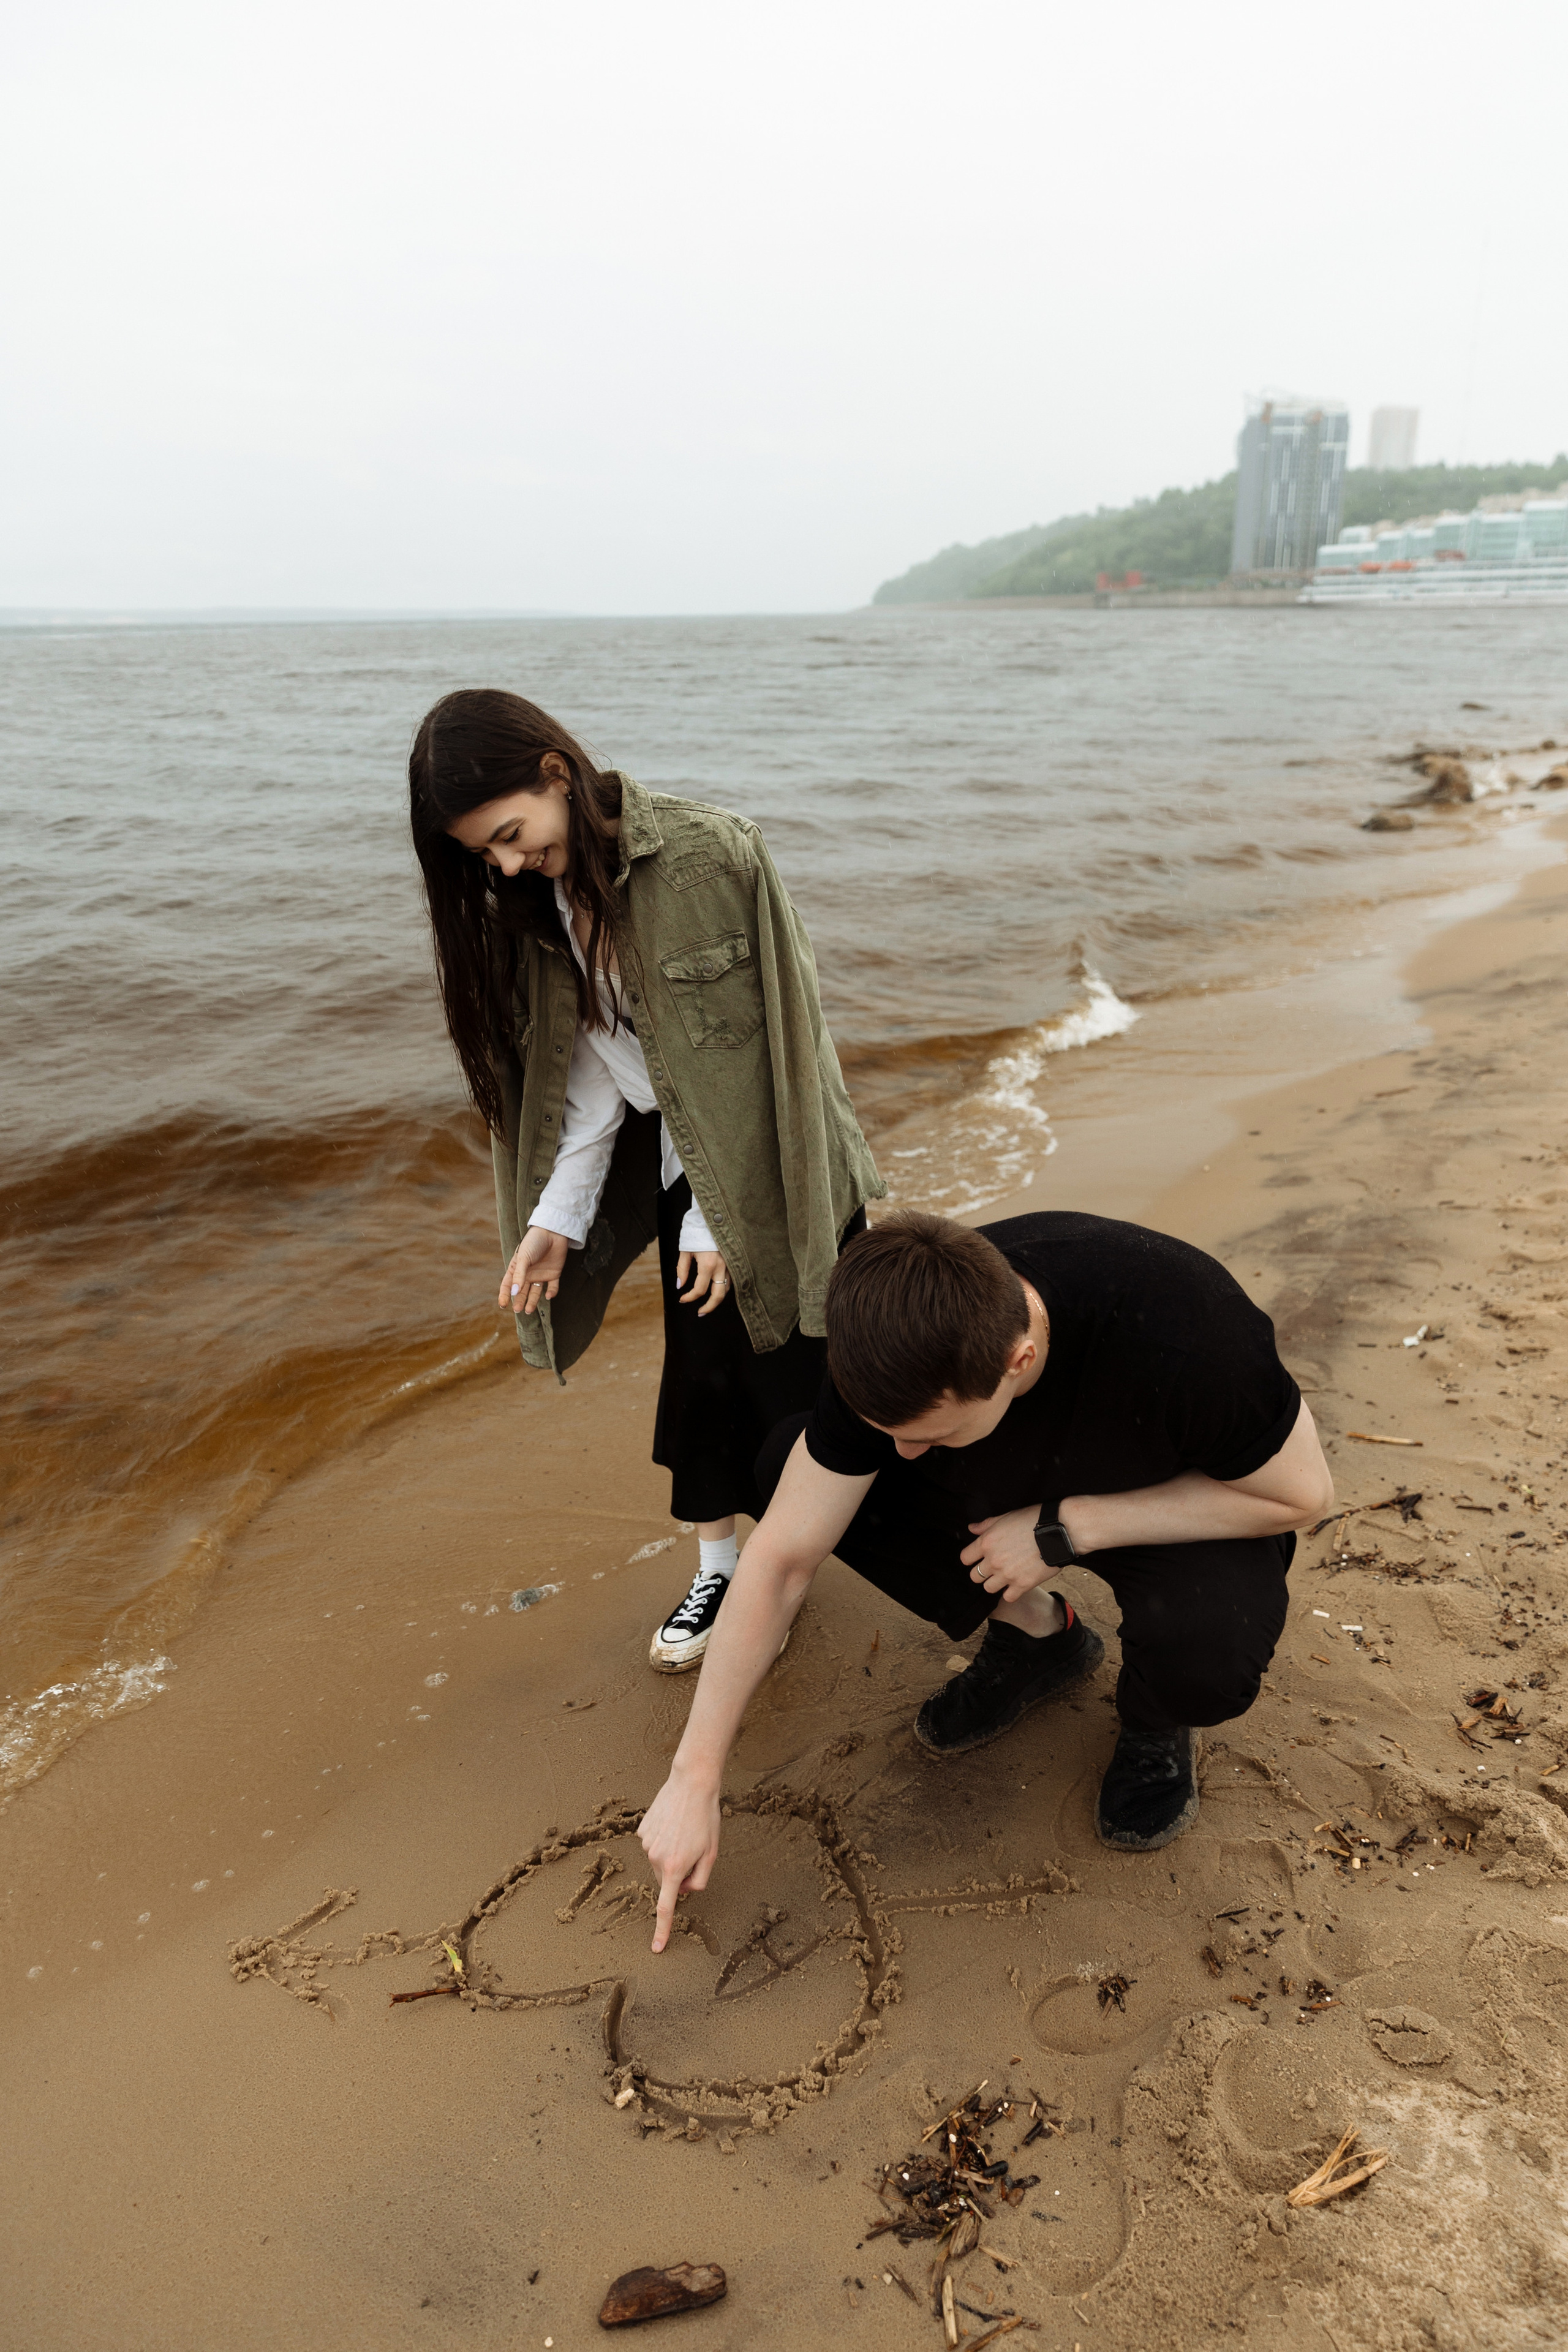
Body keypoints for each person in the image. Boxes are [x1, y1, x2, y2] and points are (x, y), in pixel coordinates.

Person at [638, 1207, 1333, 1948]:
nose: (903, 1453)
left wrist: (1064, 1530)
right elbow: (780, 1562)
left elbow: (1302, 1496)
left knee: (1208, 1652)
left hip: (1170, 1507)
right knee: (792, 1466)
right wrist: (694, 1777)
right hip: (1005, 1488)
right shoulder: (889, 1341)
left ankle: (1156, 1719)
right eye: (889, 1431)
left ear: (1020, 1361)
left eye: (927, 1433)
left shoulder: (1188, 1332)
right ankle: (1038, 1640)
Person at [407, 689, 883, 1669]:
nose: (503, 864)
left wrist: (721, 1218)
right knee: (704, 1387)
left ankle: (796, 1568)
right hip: (686, 1174)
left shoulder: (716, 855)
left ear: (555, 772)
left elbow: (781, 1057)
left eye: (508, 834)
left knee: (825, 1375)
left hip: (782, 1172)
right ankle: (722, 1572)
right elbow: (594, 1088)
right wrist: (556, 1221)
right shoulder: (545, 909)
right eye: (481, 855)